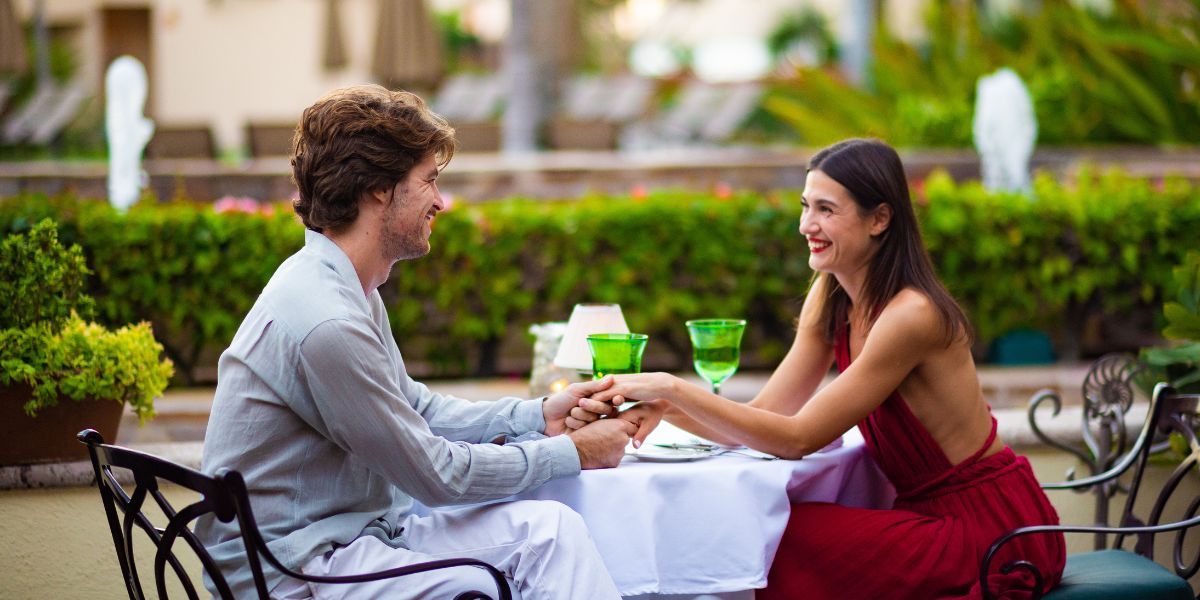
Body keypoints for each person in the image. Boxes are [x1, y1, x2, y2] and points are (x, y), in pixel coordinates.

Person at [575, 138, 1066, 599]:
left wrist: (673, 387)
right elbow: (768, 413)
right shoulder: (832, 293)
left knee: (768, 539)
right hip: (926, 517)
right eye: (806, 206)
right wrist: (664, 405)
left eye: (826, 210)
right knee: (752, 530)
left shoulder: (911, 315)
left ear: (879, 219)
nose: (806, 225)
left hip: (992, 533)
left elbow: (796, 439)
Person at [196, 84, 634, 600]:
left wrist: (540, 415)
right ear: (379, 190)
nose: (440, 202)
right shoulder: (328, 321)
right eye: (428, 181)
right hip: (297, 570)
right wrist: (571, 452)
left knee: (551, 535)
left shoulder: (344, 286)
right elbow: (436, 475)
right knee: (479, 587)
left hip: (351, 535)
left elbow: (415, 409)